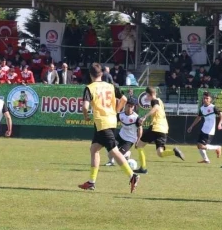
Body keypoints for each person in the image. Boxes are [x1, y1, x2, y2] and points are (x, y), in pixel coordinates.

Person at [78, 63, 139, 192]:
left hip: (102, 123)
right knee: (94, 149)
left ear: (90, 74)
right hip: (110, 121)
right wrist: (116, 110)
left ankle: (132, 176)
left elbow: (84, 107)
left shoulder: (89, 88)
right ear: (101, 74)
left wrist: (86, 116)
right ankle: (91, 182)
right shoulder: (111, 86)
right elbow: (124, 99)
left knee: (114, 151)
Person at [133, 87, 185, 174]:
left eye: (147, 95)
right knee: (160, 153)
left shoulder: (154, 101)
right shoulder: (160, 100)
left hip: (155, 127)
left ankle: (143, 168)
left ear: (150, 94)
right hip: (163, 128)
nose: (146, 97)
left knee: (139, 146)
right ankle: (174, 152)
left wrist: (145, 117)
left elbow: (156, 107)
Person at [187, 91, 222, 164]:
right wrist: (191, 126)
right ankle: (206, 160)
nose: (205, 100)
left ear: (210, 99)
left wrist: (220, 124)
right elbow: (198, 118)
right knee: (199, 145)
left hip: (209, 130)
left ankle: (217, 147)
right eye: (204, 98)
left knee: (201, 145)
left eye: (207, 98)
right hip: (204, 129)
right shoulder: (202, 108)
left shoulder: (213, 107)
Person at [104, 99, 143, 167]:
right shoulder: (120, 115)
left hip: (130, 139)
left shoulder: (136, 117)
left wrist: (138, 140)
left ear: (133, 107)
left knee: (119, 155)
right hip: (121, 136)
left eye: (131, 106)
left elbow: (140, 128)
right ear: (125, 105)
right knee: (110, 149)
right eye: (128, 106)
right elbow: (113, 121)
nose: (130, 108)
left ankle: (127, 153)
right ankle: (111, 162)